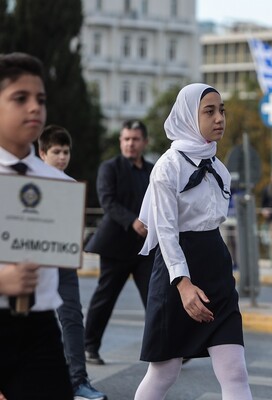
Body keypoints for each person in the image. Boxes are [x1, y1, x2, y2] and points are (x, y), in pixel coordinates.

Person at [134, 83, 252, 400]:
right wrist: (183, 285)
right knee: (165, 372)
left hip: (216, 271)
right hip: (176, 274)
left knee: (235, 371)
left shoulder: (220, 169)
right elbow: (167, 233)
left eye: (222, 110)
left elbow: (213, 226)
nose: (219, 118)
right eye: (209, 111)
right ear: (189, 116)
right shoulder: (167, 167)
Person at [0, 52, 72, 399]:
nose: (34, 108)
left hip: (40, 327)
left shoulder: (55, 181)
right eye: (20, 98)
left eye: (40, 99)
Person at [38, 125, 106, 400]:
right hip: (34, 263)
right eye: (56, 151)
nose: (62, 157)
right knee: (29, 323)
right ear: (42, 153)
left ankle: (78, 381)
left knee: (72, 319)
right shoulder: (28, 182)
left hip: (63, 263)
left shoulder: (70, 186)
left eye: (66, 151)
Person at [84, 120, 154, 365]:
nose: (130, 144)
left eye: (135, 139)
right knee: (105, 298)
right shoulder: (109, 167)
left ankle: (169, 348)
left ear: (145, 142)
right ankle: (89, 346)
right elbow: (108, 202)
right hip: (115, 246)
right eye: (126, 139)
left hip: (145, 248)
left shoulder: (153, 170)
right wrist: (133, 221)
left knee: (156, 299)